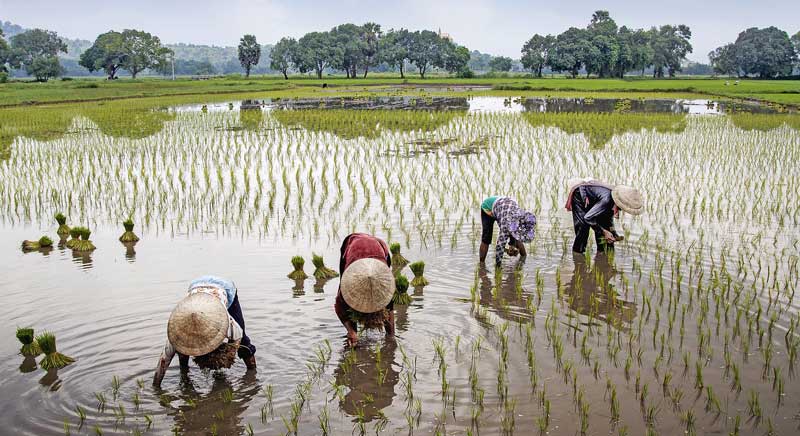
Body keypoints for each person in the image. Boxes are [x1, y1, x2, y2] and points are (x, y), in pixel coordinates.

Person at [153, 276, 256, 387]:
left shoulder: (227, 323)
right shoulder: (176, 335)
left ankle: (253, 374)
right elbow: (163, 362)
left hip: (225, 288)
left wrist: (226, 356)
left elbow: (238, 338)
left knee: (244, 343)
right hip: (195, 288)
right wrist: (156, 386)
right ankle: (184, 376)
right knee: (182, 350)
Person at [334, 233, 396, 346]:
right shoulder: (349, 283)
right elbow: (339, 308)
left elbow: (389, 309)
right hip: (352, 245)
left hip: (379, 246)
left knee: (386, 303)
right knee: (348, 302)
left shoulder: (386, 285)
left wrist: (391, 338)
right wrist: (351, 331)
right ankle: (354, 336)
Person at [565, 178, 643, 254]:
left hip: (596, 199)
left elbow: (608, 220)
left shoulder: (613, 201)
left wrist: (613, 232)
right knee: (583, 229)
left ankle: (603, 254)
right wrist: (604, 231)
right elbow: (588, 218)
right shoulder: (607, 200)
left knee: (604, 227)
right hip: (581, 195)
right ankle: (578, 256)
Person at [479, 196, 537, 266]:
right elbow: (500, 247)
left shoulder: (520, 217)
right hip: (488, 208)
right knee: (486, 238)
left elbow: (517, 236)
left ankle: (523, 259)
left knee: (517, 237)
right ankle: (481, 265)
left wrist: (512, 246)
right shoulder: (506, 224)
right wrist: (498, 269)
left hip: (503, 208)